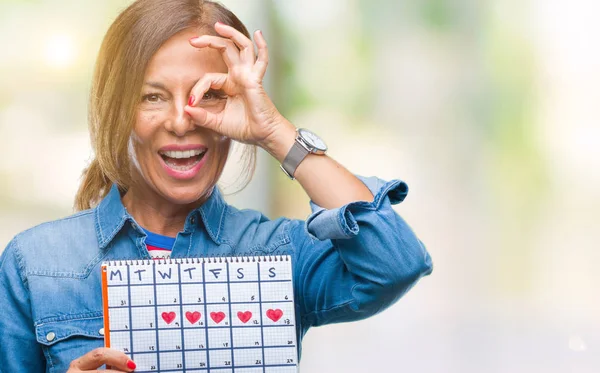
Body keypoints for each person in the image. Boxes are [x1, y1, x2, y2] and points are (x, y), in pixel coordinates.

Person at [0, 0, 433, 372]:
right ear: (116, 110)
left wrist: (275, 133)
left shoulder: (277, 253)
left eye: (208, 94)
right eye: (152, 97)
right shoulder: (33, 264)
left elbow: (396, 263)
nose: (181, 121)